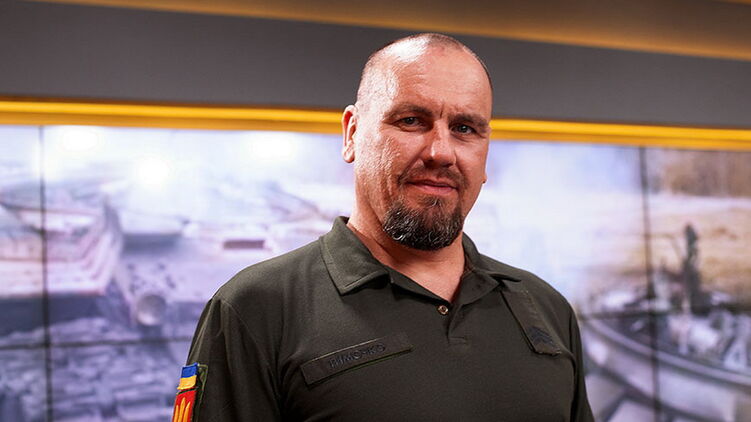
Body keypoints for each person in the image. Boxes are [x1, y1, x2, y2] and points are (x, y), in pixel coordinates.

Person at [175, 33, 594, 421]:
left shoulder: (546, 309)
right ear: (352, 133)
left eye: (465, 129)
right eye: (411, 121)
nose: (441, 152)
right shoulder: (256, 308)